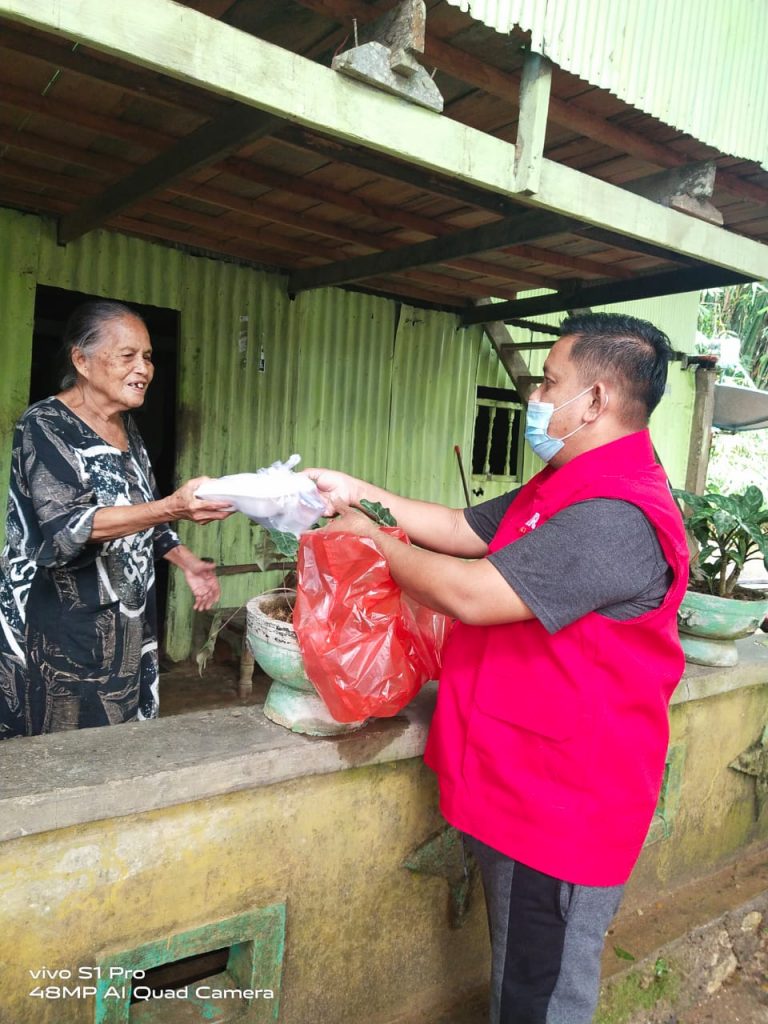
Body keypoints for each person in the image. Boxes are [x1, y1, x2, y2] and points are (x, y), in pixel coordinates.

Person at [305, 312, 689, 1024]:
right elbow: (461, 528)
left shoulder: (617, 513)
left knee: (538, 996)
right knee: (519, 973)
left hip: (563, 803)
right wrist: (353, 491)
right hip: (518, 781)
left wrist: (374, 543)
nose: (534, 398)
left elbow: (472, 594)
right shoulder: (567, 481)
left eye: (548, 382)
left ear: (596, 400)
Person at [0, 300, 233, 740]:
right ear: (81, 360)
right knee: (62, 742)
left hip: (124, 618)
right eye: (127, 355)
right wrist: (173, 506)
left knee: (117, 742)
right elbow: (68, 527)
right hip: (60, 623)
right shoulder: (45, 425)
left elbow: (142, 510)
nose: (143, 368)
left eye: (147, 356)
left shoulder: (126, 428)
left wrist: (187, 561)